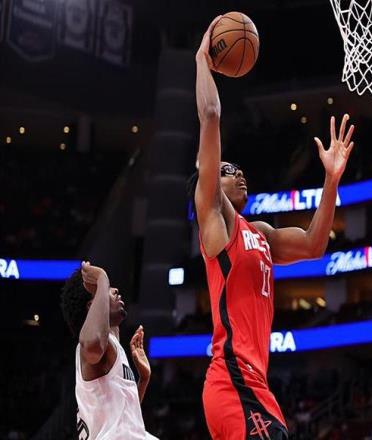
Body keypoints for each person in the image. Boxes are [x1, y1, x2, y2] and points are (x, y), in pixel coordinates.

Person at [191, 18, 355, 440]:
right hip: (231, 380)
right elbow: (210, 115)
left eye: (238, 169)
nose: (238, 173)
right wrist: (202, 60)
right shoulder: (214, 219)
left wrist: (331, 181)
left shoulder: (260, 233)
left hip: (254, 385)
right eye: (227, 170)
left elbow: (314, 245)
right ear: (210, 184)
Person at [60, 261, 157, 440]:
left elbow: (123, 419)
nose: (115, 290)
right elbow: (92, 345)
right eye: (107, 290)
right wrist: (101, 278)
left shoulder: (112, 348)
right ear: (92, 305)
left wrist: (143, 380)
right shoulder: (89, 346)